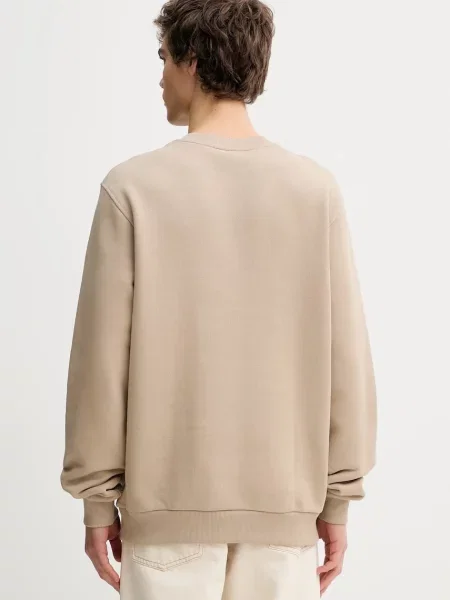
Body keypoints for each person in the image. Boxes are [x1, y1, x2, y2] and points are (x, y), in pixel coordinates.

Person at [60, 0, 377, 598]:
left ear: (192, 60)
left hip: (165, 520)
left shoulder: (132, 188)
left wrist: (97, 500)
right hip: (284, 518)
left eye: (163, 58)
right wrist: (337, 499)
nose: (159, 76)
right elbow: (347, 361)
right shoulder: (314, 191)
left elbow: (101, 364)